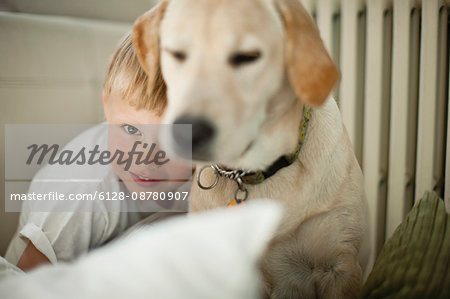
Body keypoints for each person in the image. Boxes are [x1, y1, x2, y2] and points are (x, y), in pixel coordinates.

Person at [4, 33, 192, 271]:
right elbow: (29, 284)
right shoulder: (80, 194)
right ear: (107, 108)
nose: (145, 157)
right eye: (131, 129)